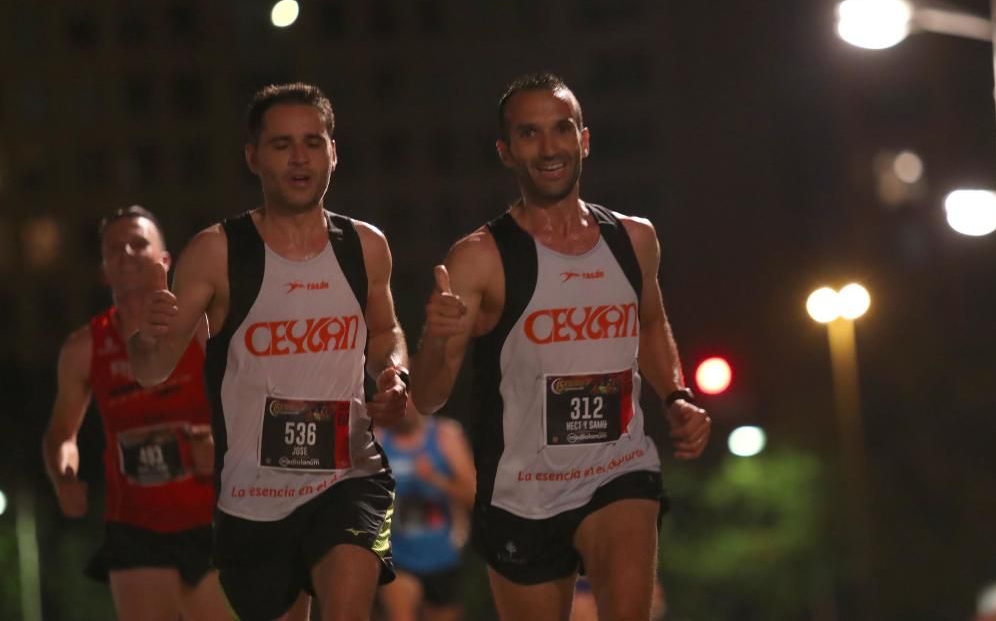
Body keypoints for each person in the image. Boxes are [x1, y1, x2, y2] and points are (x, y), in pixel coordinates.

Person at [410, 72, 712, 621]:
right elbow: (428, 398)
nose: (549, 148)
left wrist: (676, 396)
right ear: (506, 151)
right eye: (529, 134)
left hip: (618, 468)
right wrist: (438, 336)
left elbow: (649, 322)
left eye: (561, 130)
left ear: (584, 139)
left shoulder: (633, 239)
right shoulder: (479, 258)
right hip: (522, 492)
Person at [123, 83, 409, 621]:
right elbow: (152, 368)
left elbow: (384, 331)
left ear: (333, 151)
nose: (299, 158)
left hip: (352, 476)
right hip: (253, 501)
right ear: (253, 156)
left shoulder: (365, 246)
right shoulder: (216, 252)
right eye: (281, 145)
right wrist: (145, 335)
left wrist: (394, 373)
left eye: (312, 142)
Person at [42, 205, 231, 621]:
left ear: (166, 260)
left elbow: (246, 406)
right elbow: (62, 434)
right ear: (102, 269)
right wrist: (64, 475)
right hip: (135, 528)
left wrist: (218, 446)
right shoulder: (84, 348)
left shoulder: (201, 330)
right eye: (114, 248)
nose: (126, 252)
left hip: (211, 520)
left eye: (138, 243)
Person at [376, 406, 476, 621]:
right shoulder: (377, 438)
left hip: (442, 558)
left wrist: (435, 479)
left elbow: (473, 495)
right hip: (397, 557)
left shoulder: (446, 436)